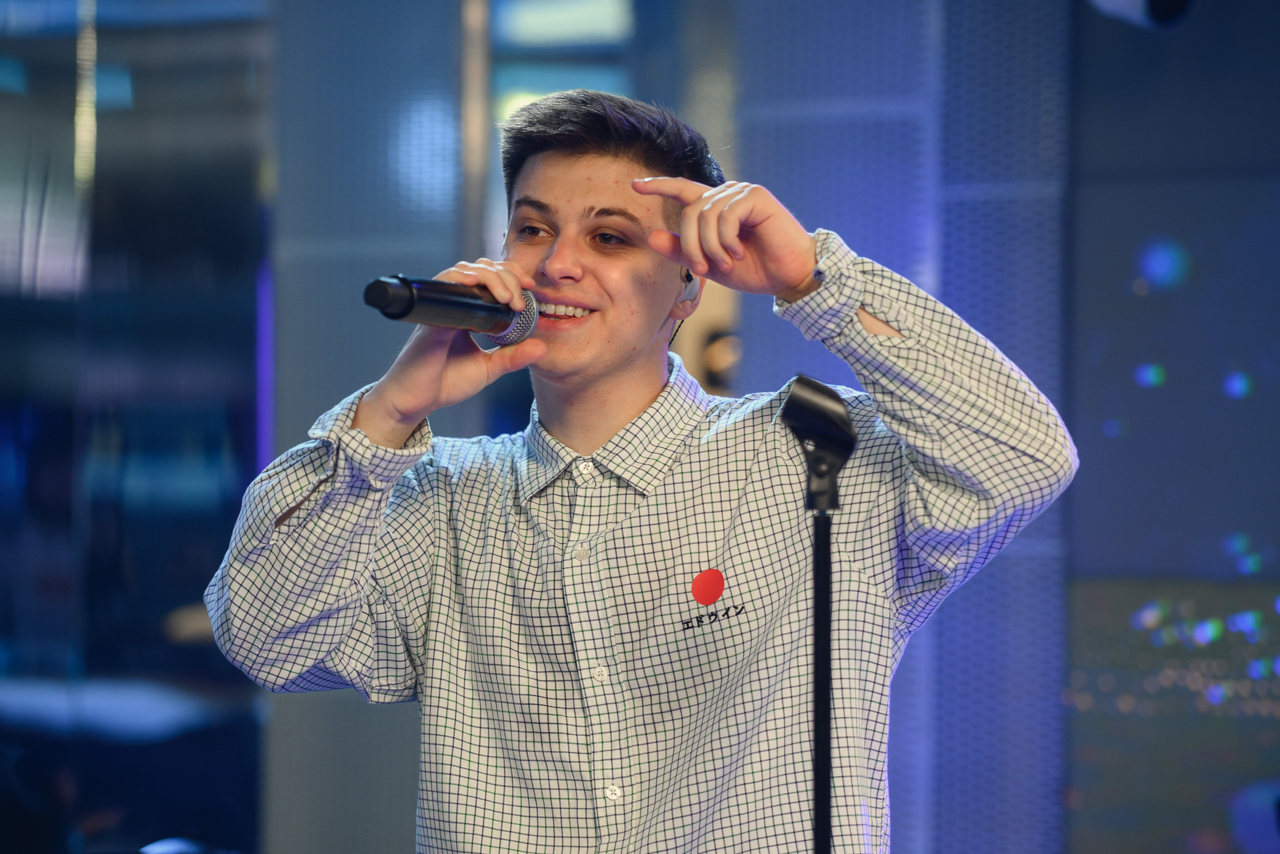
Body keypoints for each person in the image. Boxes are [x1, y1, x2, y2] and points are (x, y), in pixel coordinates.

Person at [206, 89, 1076, 853]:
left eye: (609, 237)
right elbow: (266, 637)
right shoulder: (436, 496)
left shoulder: (815, 446)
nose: (558, 263)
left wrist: (814, 280)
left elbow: (1024, 457)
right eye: (533, 228)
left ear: (690, 285)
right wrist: (390, 413)